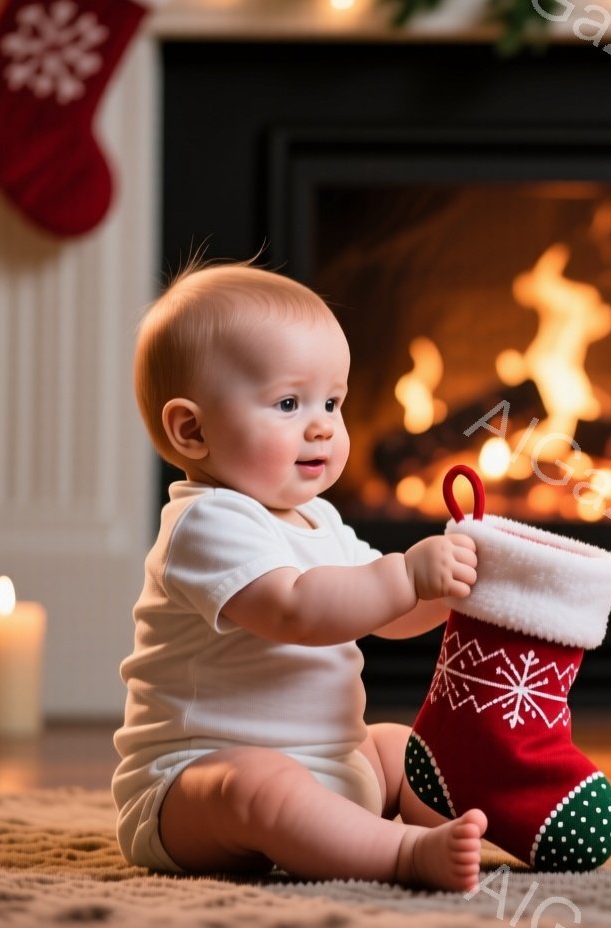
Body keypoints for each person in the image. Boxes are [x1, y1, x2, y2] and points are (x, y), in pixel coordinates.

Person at [113, 263, 486, 890]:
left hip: (334, 764)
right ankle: (403, 854)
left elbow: (386, 613)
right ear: (192, 430)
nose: (322, 425)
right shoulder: (205, 523)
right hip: (193, 786)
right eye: (289, 403)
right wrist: (406, 574)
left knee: (407, 750)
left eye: (332, 402)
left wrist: (450, 591)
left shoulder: (320, 520)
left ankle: (488, 824)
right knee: (260, 786)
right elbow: (295, 610)